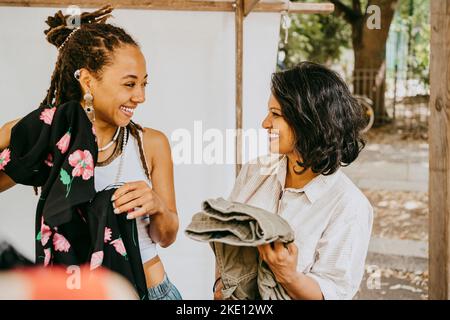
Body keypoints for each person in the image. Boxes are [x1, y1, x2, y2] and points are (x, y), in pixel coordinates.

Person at [0, 5, 181, 300]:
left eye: (144, 84)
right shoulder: (53, 141)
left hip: (154, 293)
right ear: (87, 81)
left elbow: (167, 236)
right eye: (129, 84)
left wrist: (157, 205)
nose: (141, 96)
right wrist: (11, 131)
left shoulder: (151, 144)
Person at [214, 61, 373, 300]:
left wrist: (288, 275)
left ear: (308, 121)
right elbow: (225, 238)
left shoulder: (350, 206)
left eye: (275, 114)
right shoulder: (255, 171)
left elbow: (335, 292)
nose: (265, 123)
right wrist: (219, 288)